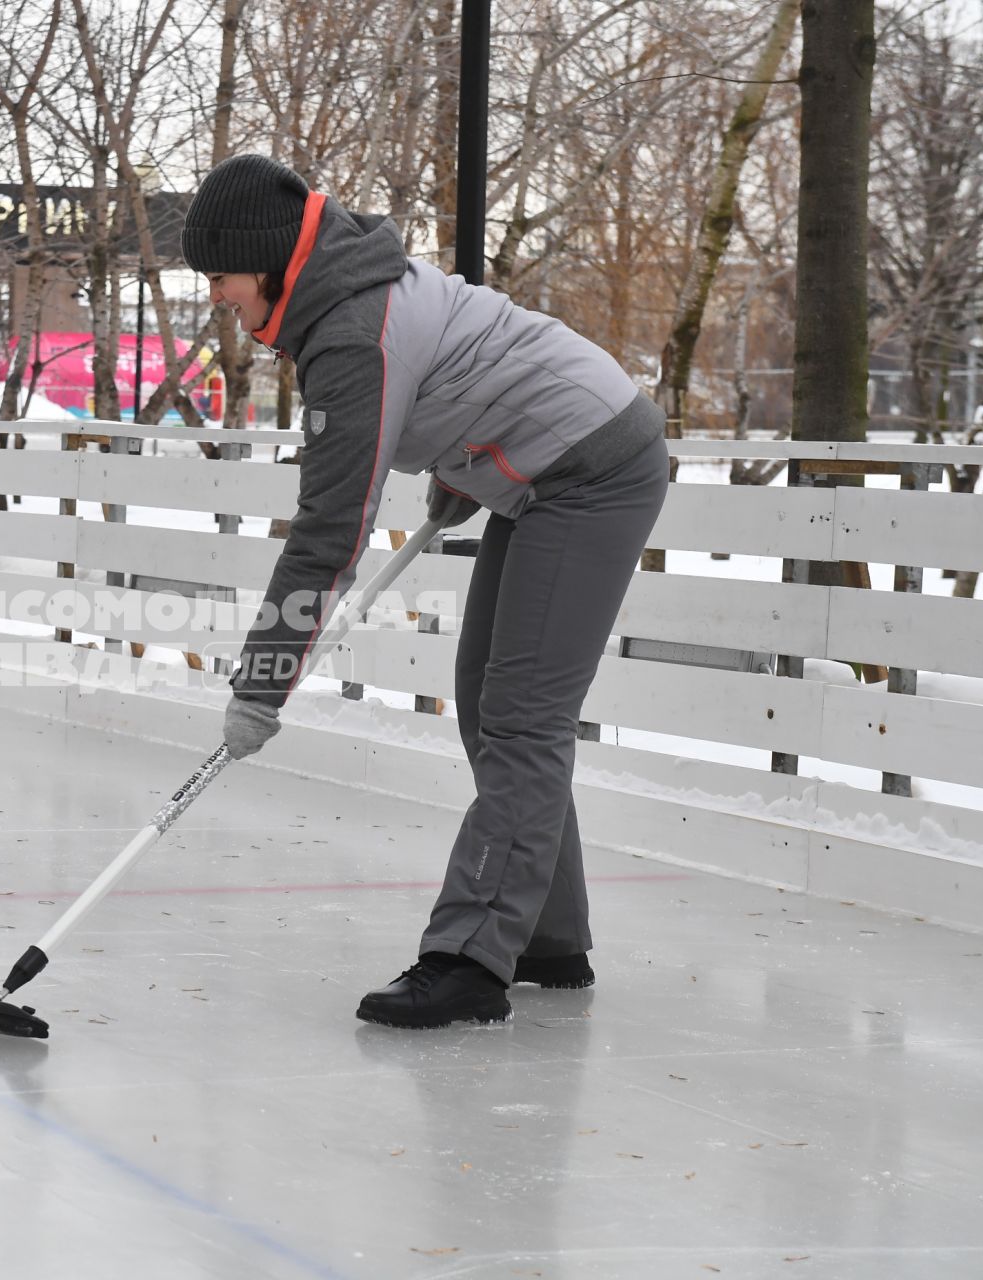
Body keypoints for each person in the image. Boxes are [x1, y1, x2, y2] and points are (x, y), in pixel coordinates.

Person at [182, 154, 671, 1029]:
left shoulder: (346, 328)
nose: (216, 294)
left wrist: (261, 683)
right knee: (489, 702)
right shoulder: (347, 289)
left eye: (219, 275)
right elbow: (463, 356)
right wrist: (470, 457)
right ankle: (547, 938)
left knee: (523, 714)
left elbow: (327, 536)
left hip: (591, 469)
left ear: (263, 261)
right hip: (542, 466)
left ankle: (469, 959)